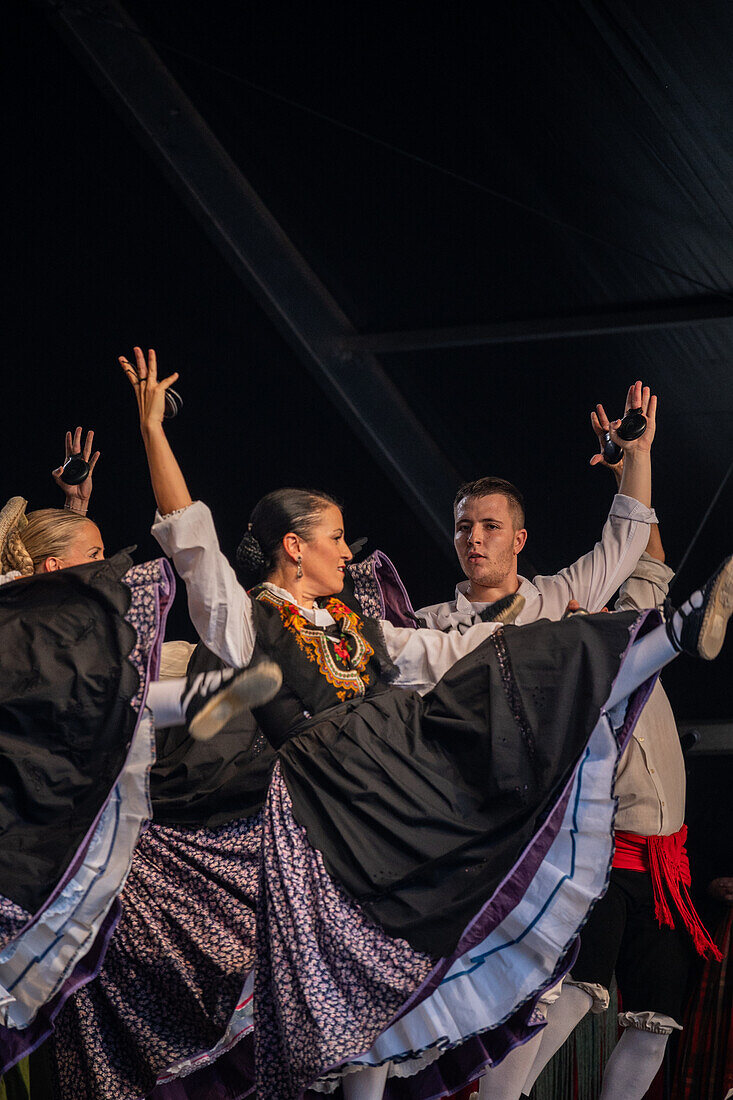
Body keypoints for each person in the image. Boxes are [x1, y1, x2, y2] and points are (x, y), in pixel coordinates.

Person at [123, 346, 733, 1100]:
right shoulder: (244, 621)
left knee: (388, 973)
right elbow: (189, 540)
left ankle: (670, 631)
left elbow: (452, 646)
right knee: (363, 985)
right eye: (337, 540)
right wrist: (153, 430)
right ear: (293, 547)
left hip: (392, 786)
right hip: (335, 797)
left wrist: (525, 635)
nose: (350, 555)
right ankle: (665, 633)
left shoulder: (361, 628)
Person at [417, 386, 722, 1100]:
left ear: (517, 538)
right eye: (464, 526)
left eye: (489, 525)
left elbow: (627, 538)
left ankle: (688, 626)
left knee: (646, 1009)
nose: (474, 538)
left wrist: (636, 457)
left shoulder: (560, 602)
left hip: (658, 843)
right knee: (559, 991)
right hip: (543, 835)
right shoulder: (434, 625)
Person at [0, 454, 280, 1096]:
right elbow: (82, 685)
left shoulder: (51, 627)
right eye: (94, 552)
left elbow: (74, 634)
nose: (106, 569)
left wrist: (73, 515)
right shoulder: (25, 632)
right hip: (39, 827)